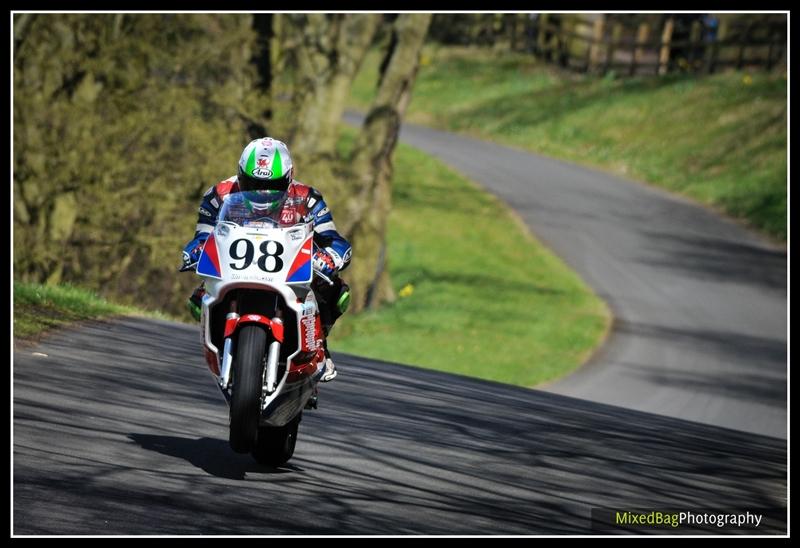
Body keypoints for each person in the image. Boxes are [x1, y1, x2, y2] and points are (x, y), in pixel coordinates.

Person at [180, 137, 352, 382]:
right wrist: (194, 251)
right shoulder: (217, 195)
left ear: (289, 177)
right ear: (240, 174)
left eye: (273, 185)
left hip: (290, 270)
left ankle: (320, 345)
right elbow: (203, 237)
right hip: (235, 270)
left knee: (336, 289)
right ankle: (223, 344)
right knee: (198, 299)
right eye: (253, 183)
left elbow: (333, 239)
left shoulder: (308, 197)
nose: (262, 193)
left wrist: (330, 257)